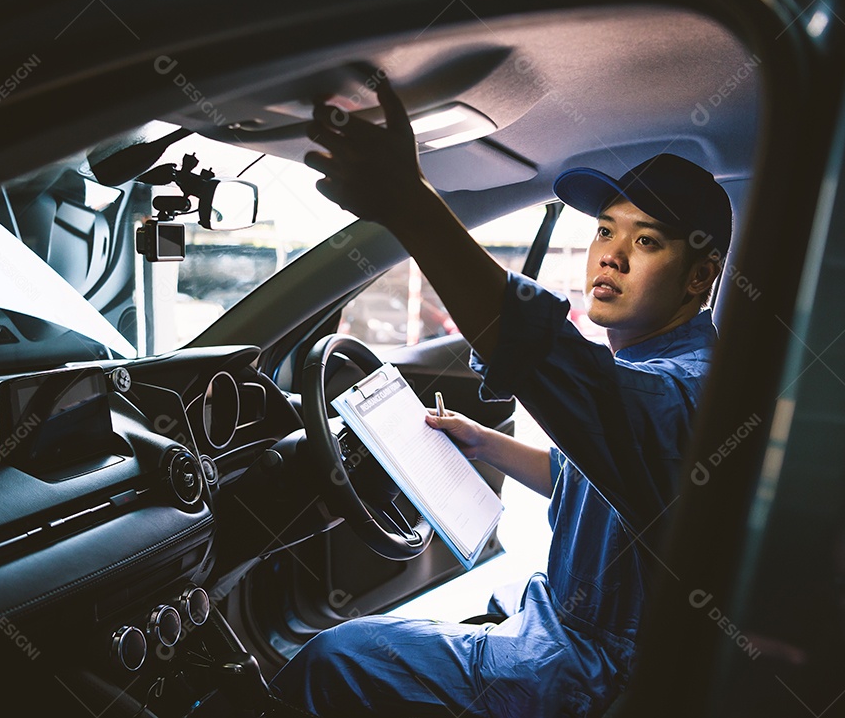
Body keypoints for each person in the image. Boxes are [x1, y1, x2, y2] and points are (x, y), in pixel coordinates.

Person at [269, 78, 732, 718]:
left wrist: (410, 205)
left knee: (332, 660)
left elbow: (551, 359)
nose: (612, 257)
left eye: (646, 241)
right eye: (605, 231)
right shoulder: (655, 372)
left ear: (699, 278)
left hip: (582, 668)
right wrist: (483, 440)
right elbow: (592, 475)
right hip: (553, 624)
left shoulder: (686, 392)